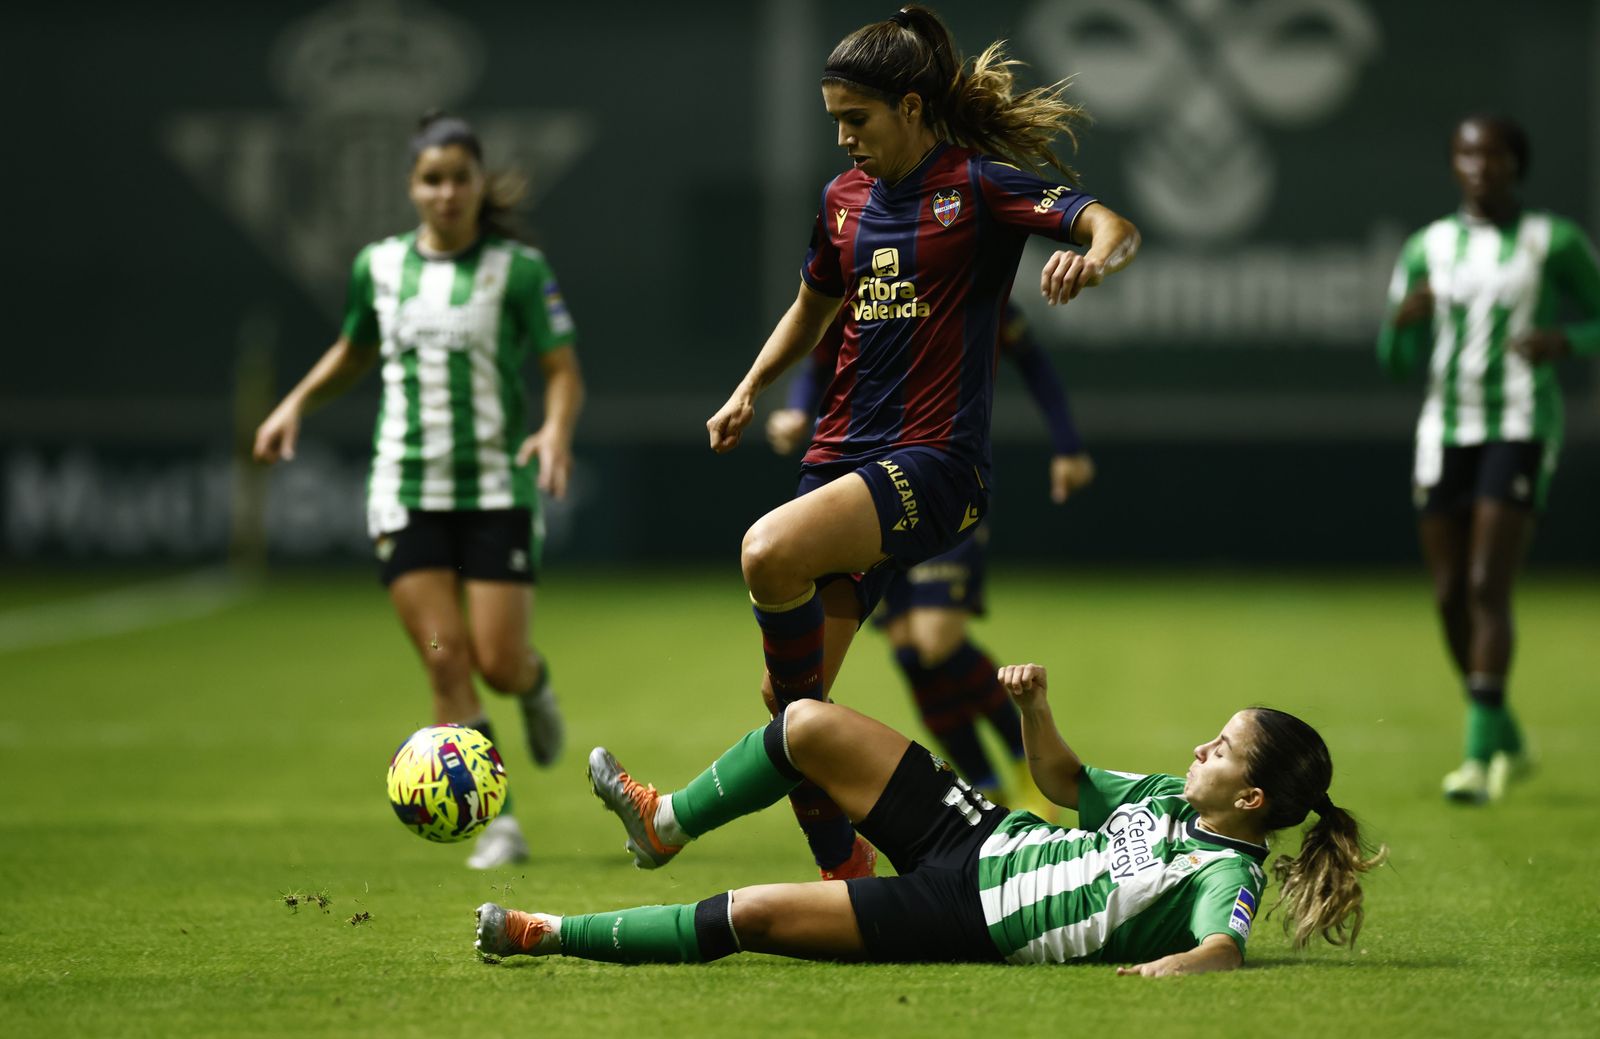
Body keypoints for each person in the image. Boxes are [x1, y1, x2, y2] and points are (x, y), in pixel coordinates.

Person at [704, 5, 1139, 879]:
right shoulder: (842, 203)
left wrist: (1093, 257)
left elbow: (1112, 224)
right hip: (839, 457)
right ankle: (847, 871)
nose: (842, 140)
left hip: (931, 464)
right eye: (832, 121)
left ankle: (674, 818)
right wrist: (750, 386)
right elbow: (810, 309)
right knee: (790, 702)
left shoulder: (978, 186)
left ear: (910, 107)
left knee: (768, 551)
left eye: (854, 120)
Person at [475, 663, 1385, 971]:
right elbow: (1063, 777)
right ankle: (663, 822)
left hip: (966, 916)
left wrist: (1173, 967)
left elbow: (1222, 946)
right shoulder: (1162, 795)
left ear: (1253, 799)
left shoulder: (1229, 870)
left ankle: (543, 933)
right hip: (983, 835)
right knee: (804, 725)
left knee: (748, 914)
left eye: (1221, 750)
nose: (1201, 749)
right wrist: (1034, 709)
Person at [253, 112, 585, 867]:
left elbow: (562, 369)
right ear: (411, 187)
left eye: (458, 178)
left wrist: (557, 430)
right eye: (431, 179)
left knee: (499, 661)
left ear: (477, 184)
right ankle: (498, 821)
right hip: (405, 493)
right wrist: (294, 403)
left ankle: (533, 688)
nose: (445, 193)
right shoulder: (378, 267)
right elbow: (353, 347)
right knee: (444, 657)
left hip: (496, 491)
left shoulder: (519, 270)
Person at [767, 302, 1094, 815]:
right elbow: (820, 355)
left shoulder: (965, 274)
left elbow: (1033, 360)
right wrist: (796, 408)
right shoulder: (867, 280)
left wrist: (1068, 447)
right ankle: (987, 785)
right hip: (866, 488)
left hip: (940, 478)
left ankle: (1025, 765)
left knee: (936, 639)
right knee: (910, 652)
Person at [1377, 114, 1600, 804]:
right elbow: (1396, 363)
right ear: (1453, 166)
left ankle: (1477, 759)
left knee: (1484, 584)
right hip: (1445, 430)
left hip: (1519, 424)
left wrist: (1564, 342)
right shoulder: (1428, 247)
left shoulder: (1550, 241)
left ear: (1515, 165)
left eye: (1494, 155)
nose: (1480, 166)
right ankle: (1503, 728)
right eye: (1468, 154)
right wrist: (1401, 327)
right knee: (1449, 596)